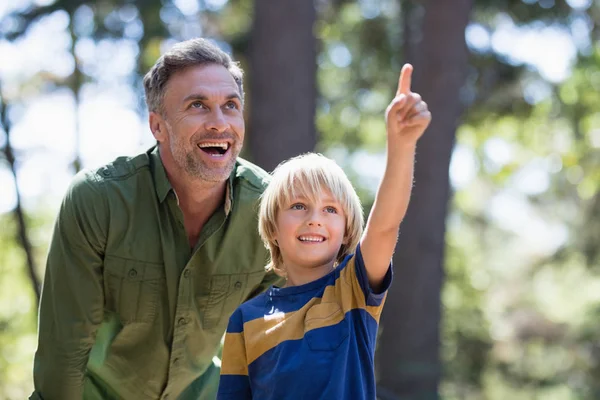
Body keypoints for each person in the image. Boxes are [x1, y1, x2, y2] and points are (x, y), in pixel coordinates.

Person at [30, 38, 281, 400]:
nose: (219, 123)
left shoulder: (270, 208)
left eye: (230, 105)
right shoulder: (99, 199)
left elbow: (275, 348)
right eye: (198, 105)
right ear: (158, 126)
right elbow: (64, 353)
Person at [216, 64, 431, 399]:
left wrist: (401, 145)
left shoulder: (353, 290)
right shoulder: (245, 319)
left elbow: (386, 225)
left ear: (347, 231)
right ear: (272, 227)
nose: (314, 219)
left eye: (331, 209)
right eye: (298, 206)